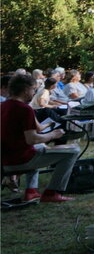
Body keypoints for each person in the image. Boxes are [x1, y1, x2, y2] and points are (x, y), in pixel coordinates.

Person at [1, 74, 79, 203]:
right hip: (20, 159)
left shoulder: (3, 106)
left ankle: (31, 191)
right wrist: (53, 135)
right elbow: (32, 139)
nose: (34, 93)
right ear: (26, 90)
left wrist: (47, 130)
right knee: (73, 150)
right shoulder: (24, 109)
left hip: (5, 159)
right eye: (33, 89)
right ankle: (52, 192)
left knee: (41, 147)